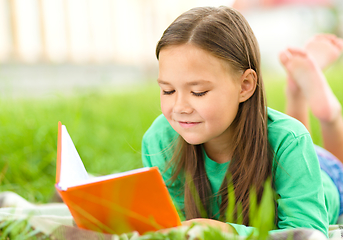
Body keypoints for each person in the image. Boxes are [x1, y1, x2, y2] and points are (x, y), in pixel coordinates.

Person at [141, 6, 341, 237]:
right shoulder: (160, 139)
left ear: (245, 85)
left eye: (198, 92)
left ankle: (326, 113)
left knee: (325, 157)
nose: (179, 108)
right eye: (167, 90)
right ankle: (297, 89)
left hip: (324, 174)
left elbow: (307, 233)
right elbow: (174, 225)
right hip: (280, 145)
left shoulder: (290, 142)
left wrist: (227, 232)